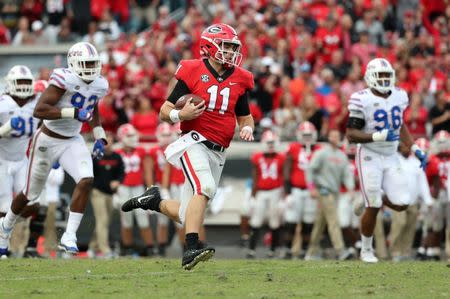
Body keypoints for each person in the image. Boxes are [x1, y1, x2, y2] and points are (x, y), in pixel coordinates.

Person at [121, 23, 255, 270]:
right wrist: (180, 115)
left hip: (219, 151)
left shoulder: (240, 78)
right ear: (209, 46)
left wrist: (247, 127)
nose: (230, 52)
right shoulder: (193, 70)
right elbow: (164, 110)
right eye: (225, 46)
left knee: (187, 214)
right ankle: (191, 248)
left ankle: (153, 202)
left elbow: (245, 115)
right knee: (204, 186)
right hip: (194, 142)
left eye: (232, 47)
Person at [0, 42, 109, 255]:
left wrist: (99, 136)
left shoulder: (99, 84)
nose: (90, 68)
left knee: (86, 179)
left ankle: (69, 235)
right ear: (74, 63)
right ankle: (6, 226)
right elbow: (40, 110)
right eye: (85, 63)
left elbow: (92, 105)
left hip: (72, 139)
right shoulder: (63, 79)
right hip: (47, 141)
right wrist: (72, 113)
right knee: (30, 193)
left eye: (93, 64)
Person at [346, 58, 427, 263]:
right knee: (373, 205)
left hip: (391, 155)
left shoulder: (399, 96)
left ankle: (368, 195)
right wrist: (376, 136)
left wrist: (414, 147)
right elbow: (351, 134)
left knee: (402, 203)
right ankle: (366, 250)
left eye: (386, 76)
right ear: (370, 77)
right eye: (380, 76)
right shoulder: (360, 99)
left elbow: (400, 125)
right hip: (369, 154)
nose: (384, 80)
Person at [0, 65, 40, 257]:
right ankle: (3, 248)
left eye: (26, 82)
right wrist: (4, 130)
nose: (24, 86)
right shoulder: (3, 104)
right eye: (20, 82)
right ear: (10, 84)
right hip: (2, 161)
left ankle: (17, 240)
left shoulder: (35, 103)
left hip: (22, 159)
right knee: (4, 207)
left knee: (33, 203)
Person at [304, 129, 354, 261]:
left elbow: (346, 175)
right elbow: (311, 170)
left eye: (337, 135)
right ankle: (340, 250)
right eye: (333, 135)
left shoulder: (342, 156)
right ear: (329, 137)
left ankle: (311, 251)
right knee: (333, 220)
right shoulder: (321, 153)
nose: (335, 138)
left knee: (320, 223)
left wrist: (350, 188)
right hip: (324, 190)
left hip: (335, 192)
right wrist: (311, 188)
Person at [389, 141, 433, 261]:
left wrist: (428, 200)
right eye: (404, 146)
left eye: (409, 147)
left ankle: (405, 253)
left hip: (412, 201)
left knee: (410, 227)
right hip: (397, 201)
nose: (407, 149)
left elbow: (422, 183)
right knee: (400, 223)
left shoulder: (416, 162)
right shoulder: (394, 160)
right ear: (399, 147)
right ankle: (395, 252)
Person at [115, 124, 154, 256]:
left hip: (137, 187)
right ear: (122, 137)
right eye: (129, 135)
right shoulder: (116, 153)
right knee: (126, 218)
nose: (133, 138)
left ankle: (149, 247)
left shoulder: (141, 151)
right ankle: (127, 247)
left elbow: (148, 172)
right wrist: (115, 192)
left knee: (143, 217)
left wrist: (150, 189)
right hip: (123, 187)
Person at [282, 122, 319, 259]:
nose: (307, 138)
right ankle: (287, 249)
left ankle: (304, 250)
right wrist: (288, 192)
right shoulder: (293, 148)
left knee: (308, 222)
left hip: (312, 192)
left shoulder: (319, 149)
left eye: (309, 135)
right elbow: (287, 170)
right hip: (296, 190)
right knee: (291, 221)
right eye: (305, 135)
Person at [247, 130, 285, 259]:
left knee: (275, 222)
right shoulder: (257, 157)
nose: (270, 145)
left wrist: (284, 196)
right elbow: (255, 177)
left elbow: (284, 177)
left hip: (276, 191)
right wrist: (252, 196)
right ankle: (251, 249)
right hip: (261, 192)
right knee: (256, 221)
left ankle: (273, 250)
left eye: (272, 142)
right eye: (268, 143)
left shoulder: (282, 157)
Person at [89, 132, 124, 258]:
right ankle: (105, 250)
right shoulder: (97, 156)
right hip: (97, 192)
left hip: (110, 194)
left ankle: (92, 247)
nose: (108, 145)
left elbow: (121, 173)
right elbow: (89, 173)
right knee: (102, 219)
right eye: (105, 142)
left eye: (110, 142)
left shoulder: (117, 157)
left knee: (105, 221)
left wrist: (118, 181)